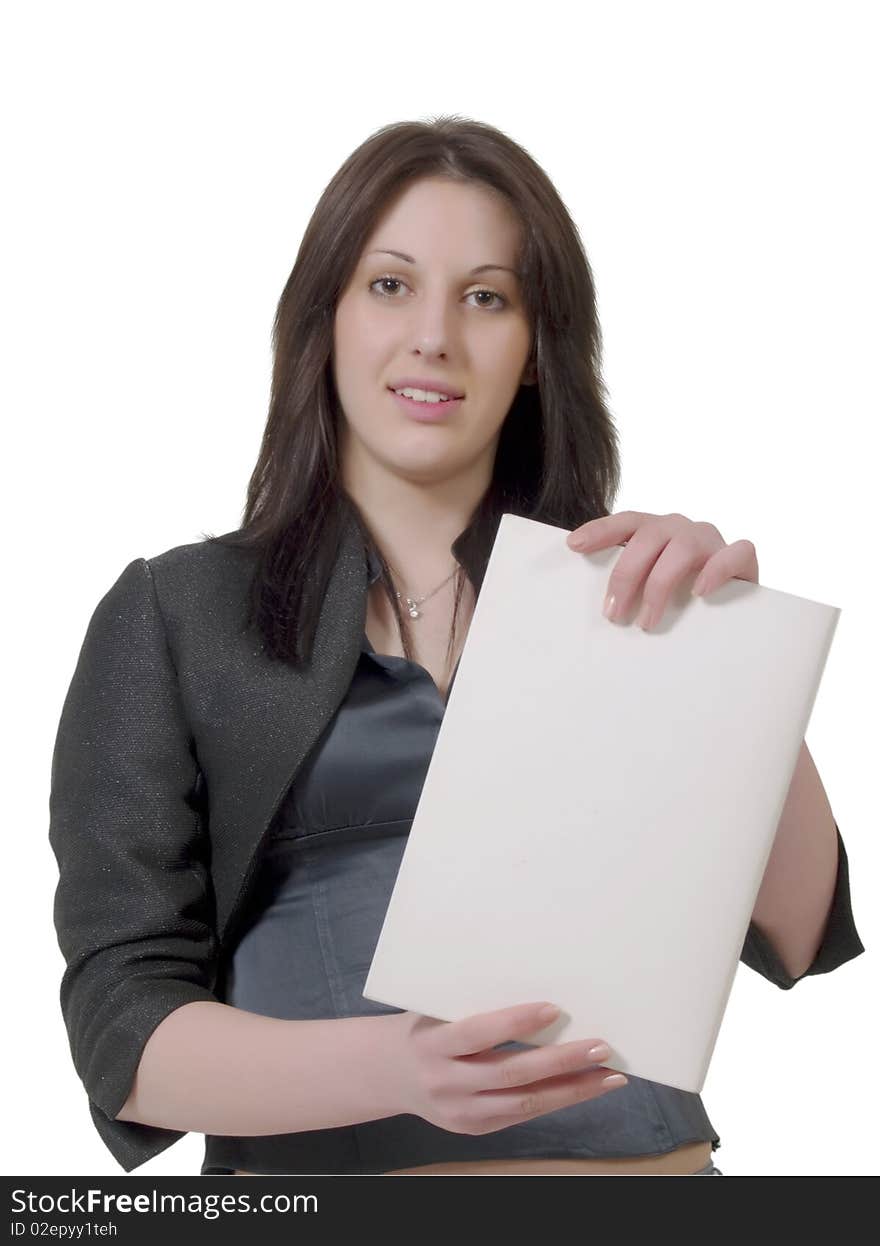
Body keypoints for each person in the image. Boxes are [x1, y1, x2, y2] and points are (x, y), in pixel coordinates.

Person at [49, 116, 864, 1179]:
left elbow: (798, 930)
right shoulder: (176, 614)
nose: (434, 335)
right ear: (323, 320)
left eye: (486, 297)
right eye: (390, 285)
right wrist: (397, 1066)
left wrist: (727, 647)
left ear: (534, 350)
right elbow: (121, 1029)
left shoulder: (615, 596)